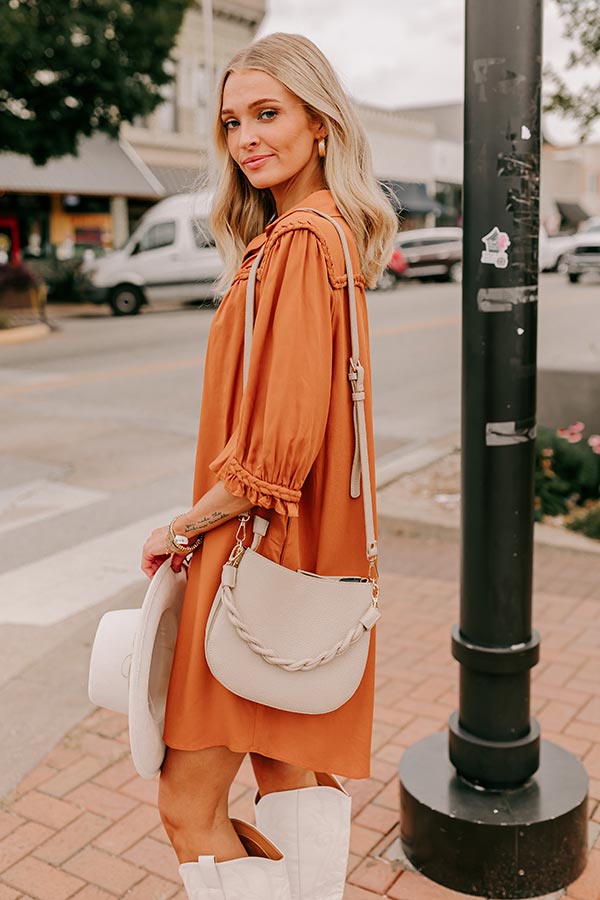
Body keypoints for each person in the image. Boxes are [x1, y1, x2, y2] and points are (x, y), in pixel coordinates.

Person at [141, 31, 396, 900]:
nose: (246, 136)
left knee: (186, 801)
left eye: (267, 113)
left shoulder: (296, 242)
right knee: (287, 772)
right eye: (232, 122)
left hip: (255, 551)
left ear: (320, 124)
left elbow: (278, 446)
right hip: (305, 554)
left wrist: (184, 525)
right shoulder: (334, 236)